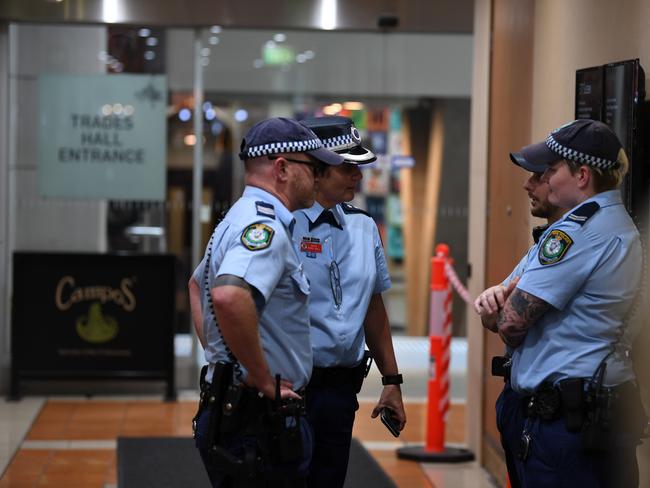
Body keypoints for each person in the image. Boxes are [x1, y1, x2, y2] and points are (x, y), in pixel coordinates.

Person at [189, 116, 344, 487]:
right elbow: (227, 296)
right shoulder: (266, 228)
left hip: (236, 407)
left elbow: (197, 287)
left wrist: (223, 358)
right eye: (314, 167)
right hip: (259, 420)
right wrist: (261, 378)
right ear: (283, 168)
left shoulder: (238, 218)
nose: (320, 177)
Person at [495, 119, 645, 487]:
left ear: (581, 175)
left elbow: (509, 321)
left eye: (550, 170)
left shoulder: (577, 231)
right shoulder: (618, 224)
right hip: (595, 410)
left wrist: (500, 311)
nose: (535, 181)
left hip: (566, 422)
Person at [293, 116, 406, 488]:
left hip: (340, 391)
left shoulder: (363, 227)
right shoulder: (281, 225)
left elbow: (372, 306)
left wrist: (392, 380)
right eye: (347, 167)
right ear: (317, 171)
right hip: (287, 391)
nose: (358, 176)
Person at [474, 163, 566, 488]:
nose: (528, 185)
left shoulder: (567, 243)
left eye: (539, 176)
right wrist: (498, 307)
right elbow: (489, 314)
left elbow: (509, 323)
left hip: (559, 415)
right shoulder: (541, 246)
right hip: (521, 403)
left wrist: (502, 308)